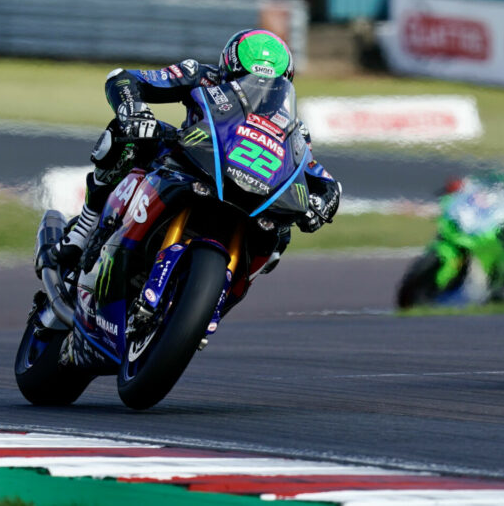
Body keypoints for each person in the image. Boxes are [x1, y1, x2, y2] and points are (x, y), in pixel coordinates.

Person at [44, 29, 341, 366]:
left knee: (278, 237)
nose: (256, 88)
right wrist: (134, 112)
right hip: (187, 163)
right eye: (246, 77)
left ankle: (205, 308)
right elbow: (124, 79)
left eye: (267, 83)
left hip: (246, 195)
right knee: (125, 138)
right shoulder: (200, 76)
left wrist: (324, 200)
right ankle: (86, 225)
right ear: (229, 68)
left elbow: (313, 170)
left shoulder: (292, 127)